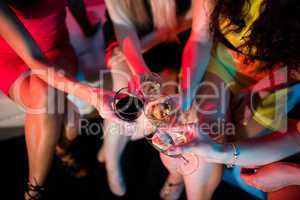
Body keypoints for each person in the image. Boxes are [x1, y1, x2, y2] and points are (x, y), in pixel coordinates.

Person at [164, 0, 300, 199]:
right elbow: (200, 38)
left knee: (244, 146)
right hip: (223, 62)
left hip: (276, 76)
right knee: (204, 130)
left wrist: (257, 90)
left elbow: (296, 72)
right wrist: (185, 97)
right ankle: (178, 180)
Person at [0, 1, 118, 199]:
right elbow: (34, 59)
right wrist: (89, 94)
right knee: (69, 122)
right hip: (12, 57)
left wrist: (88, 28)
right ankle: (36, 186)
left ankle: (50, 165)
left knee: (60, 109)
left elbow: (75, 3)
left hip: (55, 49)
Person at [100, 0, 215, 198]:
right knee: (127, 100)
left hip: (181, 45)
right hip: (132, 48)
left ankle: (175, 176)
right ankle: (111, 162)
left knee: (179, 115)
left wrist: (160, 36)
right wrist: (141, 71)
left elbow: (200, 27)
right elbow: (123, 26)